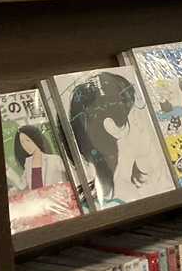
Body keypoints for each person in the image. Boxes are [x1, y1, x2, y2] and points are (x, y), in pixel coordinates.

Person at [68, 71, 166, 205]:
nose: (147, 124)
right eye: (136, 117)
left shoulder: (144, 185)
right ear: (114, 128)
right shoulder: (121, 197)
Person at [7, 124, 68, 191]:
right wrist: (7, 168)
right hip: (36, 197)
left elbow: (72, 173)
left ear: (35, 139)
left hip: (54, 196)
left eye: (27, 140)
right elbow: (22, 185)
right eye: (22, 142)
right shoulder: (28, 162)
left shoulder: (54, 159)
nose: (25, 145)